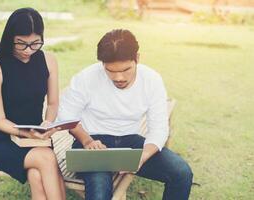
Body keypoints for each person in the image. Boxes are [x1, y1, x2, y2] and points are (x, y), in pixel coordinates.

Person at [58, 29, 193, 200]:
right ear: (102, 64)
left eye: (126, 69)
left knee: (181, 173)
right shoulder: (86, 77)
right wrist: (87, 140)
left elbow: (158, 128)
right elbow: (66, 116)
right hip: (92, 143)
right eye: (111, 71)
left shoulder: (151, 80)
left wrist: (142, 157)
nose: (119, 77)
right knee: (99, 191)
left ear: (137, 58)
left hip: (130, 142)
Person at [0, 8, 65, 200]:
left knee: (37, 176)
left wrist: (48, 123)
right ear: (10, 38)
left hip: (37, 137)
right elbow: (0, 121)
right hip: (5, 141)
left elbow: (53, 103)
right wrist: (24, 132)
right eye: (22, 44)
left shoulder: (49, 60)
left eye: (35, 43)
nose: (28, 50)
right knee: (46, 159)